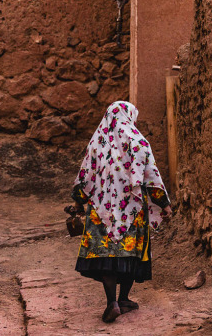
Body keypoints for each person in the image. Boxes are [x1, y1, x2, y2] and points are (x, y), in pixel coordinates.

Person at [71, 101, 172, 323]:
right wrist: (164, 203)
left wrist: (79, 202)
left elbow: (85, 177)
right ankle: (125, 297)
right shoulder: (139, 142)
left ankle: (112, 303)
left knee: (108, 256)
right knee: (130, 254)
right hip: (133, 211)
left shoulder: (97, 143)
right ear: (129, 117)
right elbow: (152, 178)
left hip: (102, 210)